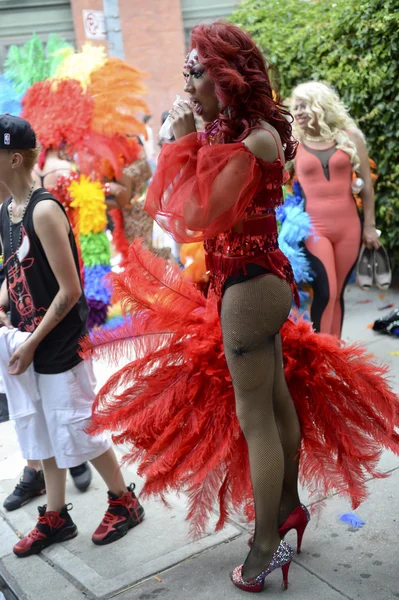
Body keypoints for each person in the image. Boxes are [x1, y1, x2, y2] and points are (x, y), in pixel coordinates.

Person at [83, 23, 399, 594]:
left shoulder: (255, 139)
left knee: (256, 423)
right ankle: (291, 508)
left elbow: (197, 215)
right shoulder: (234, 130)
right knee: (274, 403)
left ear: (228, 77)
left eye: (197, 71)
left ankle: (263, 548)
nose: (189, 82)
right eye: (186, 72)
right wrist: (196, 132)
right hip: (249, 285)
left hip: (251, 289)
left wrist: (180, 139)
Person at [0, 115, 144, 557]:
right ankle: (56, 516)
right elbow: (12, 270)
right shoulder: (7, 211)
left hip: (59, 345)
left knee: (81, 430)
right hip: (27, 342)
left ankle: (124, 502)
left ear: (15, 157)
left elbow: (70, 290)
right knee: (41, 431)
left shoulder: (43, 210)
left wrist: (30, 343)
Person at [291, 81, 380, 337]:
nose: (297, 111)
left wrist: (370, 226)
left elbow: (366, 186)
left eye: (303, 105)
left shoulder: (349, 137)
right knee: (326, 290)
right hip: (314, 227)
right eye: (295, 107)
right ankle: (319, 359)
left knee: (337, 292)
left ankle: (334, 357)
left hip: (349, 227)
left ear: (321, 104)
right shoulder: (293, 143)